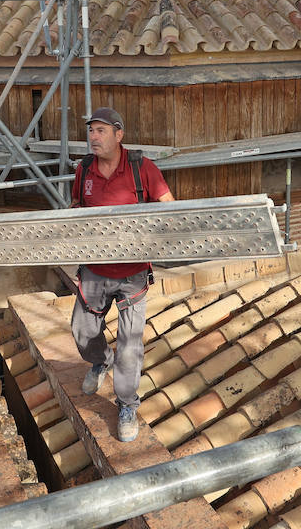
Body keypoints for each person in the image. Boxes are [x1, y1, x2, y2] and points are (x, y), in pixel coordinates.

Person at [70, 107, 174, 442]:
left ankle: (127, 404)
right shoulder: (83, 169)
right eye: (91, 131)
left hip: (132, 273)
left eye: (101, 131)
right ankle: (101, 361)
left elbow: (170, 207)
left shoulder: (141, 168)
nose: (94, 137)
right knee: (83, 333)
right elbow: (75, 211)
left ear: (119, 134)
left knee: (130, 346)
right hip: (94, 270)